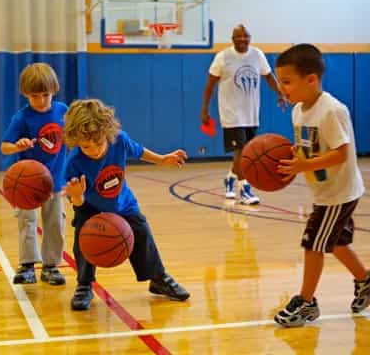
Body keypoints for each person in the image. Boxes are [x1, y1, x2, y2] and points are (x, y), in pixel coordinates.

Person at [273, 44, 369, 327]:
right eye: (281, 82)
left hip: (339, 193)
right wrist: (295, 154)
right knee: (336, 242)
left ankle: (306, 302)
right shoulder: (299, 111)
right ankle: (365, 280)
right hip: (325, 190)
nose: (282, 88)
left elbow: (340, 153)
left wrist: (304, 166)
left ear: (311, 79)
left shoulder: (331, 111)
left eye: (287, 82)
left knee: (312, 243)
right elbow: (310, 145)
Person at [63, 99, 190, 311]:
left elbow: (139, 151)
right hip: (89, 205)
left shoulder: (119, 140)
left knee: (141, 231)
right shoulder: (74, 162)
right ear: (75, 142)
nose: (93, 150)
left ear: (108, 134)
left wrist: (162, 159)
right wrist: (77, 197)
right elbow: (77, 201)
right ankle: (84, 284)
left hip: (122, 201)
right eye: (86, 146)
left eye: (99, 143)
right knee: (84, 239)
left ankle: (157, 278)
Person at [200, 24, 284, 205]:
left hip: (251, 113)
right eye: (238, 36)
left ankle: (230, 178)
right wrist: (205, 110)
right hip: (231, 114)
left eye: (246, 36)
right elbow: (210, 85)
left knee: (246, 153)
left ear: (250, 38)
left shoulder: (257, 55)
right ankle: (244, 189)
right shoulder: (223, 57)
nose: (242, 39)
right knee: (242, 151)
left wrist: (280, 93)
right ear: (232, 39)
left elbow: (268, 76)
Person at [1, 63, 66, 285]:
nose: (40, 100)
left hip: (55, 180)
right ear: (25, 94)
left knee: (55, 223)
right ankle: (27, 265)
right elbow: (4, 147)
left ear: (54, 91)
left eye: (45, 95)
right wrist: (18, 146)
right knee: (27, 222)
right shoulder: (22, 117)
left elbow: (74, 137)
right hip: (27, 183)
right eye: (34, 96)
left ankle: (51, 266)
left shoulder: (62, 111)